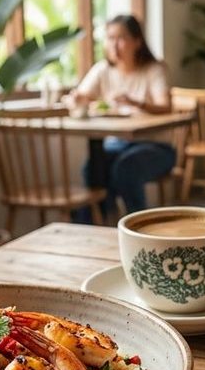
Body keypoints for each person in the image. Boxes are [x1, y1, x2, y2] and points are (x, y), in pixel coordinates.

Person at [67, 15, 174, 221]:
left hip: (157, 147)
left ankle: (140, 228)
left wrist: (136, 102)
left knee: (125, 168)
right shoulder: (103, 70)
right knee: (92, 168)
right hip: (118, 142)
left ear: (137, 41)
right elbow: (82, 96)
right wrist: (76, 99)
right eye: (110, 38)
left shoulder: (154, 69)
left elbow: (165, 106)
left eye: (121, 38)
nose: (114, 45)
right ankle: (96, 225)